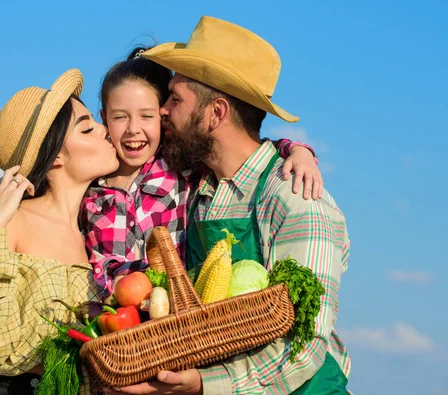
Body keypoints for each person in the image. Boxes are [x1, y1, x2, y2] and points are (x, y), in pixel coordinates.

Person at [104, 16, 351, 395]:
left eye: (175, 98)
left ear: (216, 113)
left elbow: (305, 345)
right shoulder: (196, 186)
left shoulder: (296, 200)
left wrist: (206, 385)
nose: (163, 110)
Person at [81, 46, 322, 301]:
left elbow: (246, 151)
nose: (133, 129)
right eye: (119, 117)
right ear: (104, 119)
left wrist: (297, 150)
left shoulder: (176, 166)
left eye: (147, 115)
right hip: (122, 323)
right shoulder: (92, 190)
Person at [0, 69, 119, 395]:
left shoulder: (95, 235)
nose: (104, 129)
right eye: (87, 128)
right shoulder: (12, 222)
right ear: (55, 158)